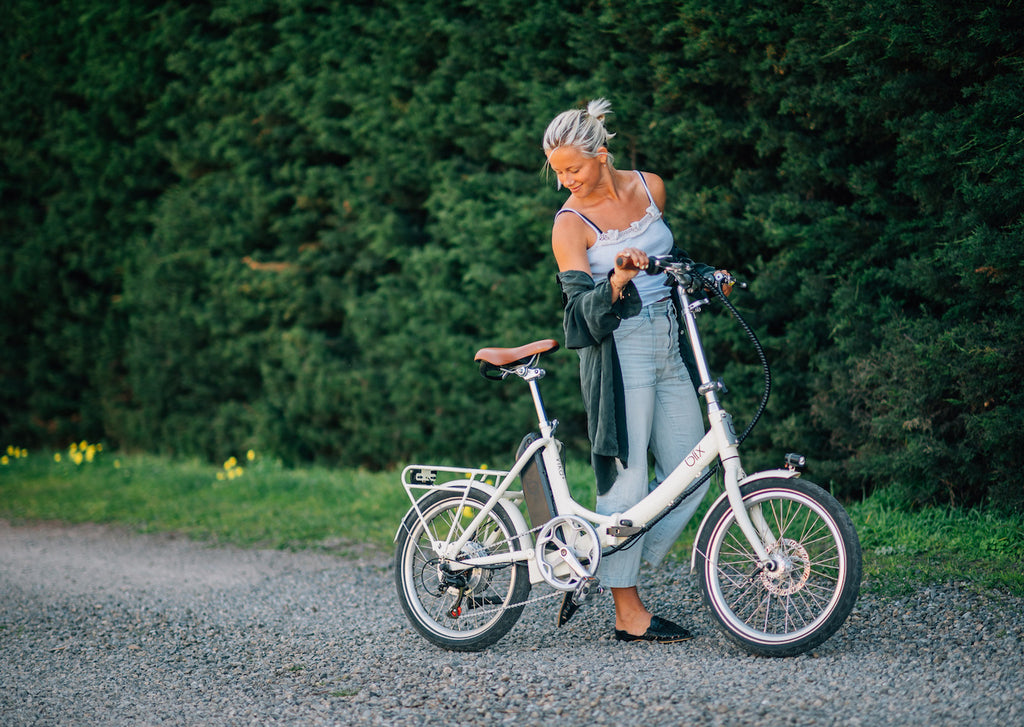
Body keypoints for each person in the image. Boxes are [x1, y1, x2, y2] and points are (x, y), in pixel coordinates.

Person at [544, 98, 717, 643]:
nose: (566, 180)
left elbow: (670, 255)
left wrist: (708, 274)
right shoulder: (570, 226)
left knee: (693, 472)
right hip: (619, 352)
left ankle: (592, 556)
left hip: (669, 338)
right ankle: (627, 611)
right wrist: (617, 279)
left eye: (574, 167)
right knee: (628, 479)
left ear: (601, 154)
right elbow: (577, 316)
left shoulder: (651, 186)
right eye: (559, 172)